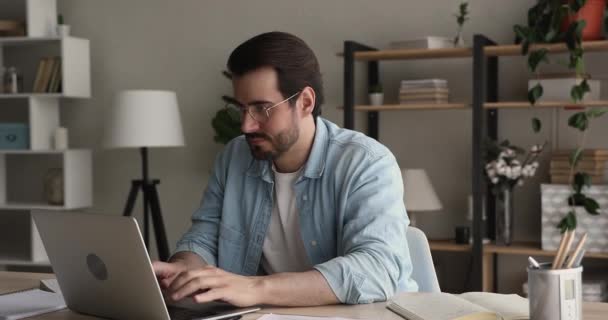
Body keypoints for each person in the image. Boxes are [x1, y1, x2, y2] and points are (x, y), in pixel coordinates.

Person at [152, 31, 418, 307]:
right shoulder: (234, 157)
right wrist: (184, 270)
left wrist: (256, 288)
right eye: (240, 109)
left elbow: (377, 268)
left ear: (305, 102)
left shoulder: (366, 163)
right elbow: (205, 238)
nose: (246, 125)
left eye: (262, 109)